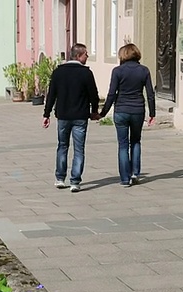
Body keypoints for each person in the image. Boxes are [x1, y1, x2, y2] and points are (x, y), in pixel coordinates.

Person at [42, 43, 100, 193]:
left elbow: (51, 94)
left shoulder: (58, 72)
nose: (87, 56)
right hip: (80, 116)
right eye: (86, 54)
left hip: (63, 115)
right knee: (79, 149)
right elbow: (94, 94)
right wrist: (94, 111)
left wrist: (46, 114)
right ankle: (75, 181)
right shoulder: (86, 73)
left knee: (62, 146)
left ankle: (60, 178)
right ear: (79, 55)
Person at [99, 43, 155, 186]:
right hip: (138, 110)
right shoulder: (144, 70)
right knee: (136, 141)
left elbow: (111, 94)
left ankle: (125, 178)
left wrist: (103, 112)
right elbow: (150, 94)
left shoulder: (117, 71)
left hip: (121, 110)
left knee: (123, 145)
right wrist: (152, 112)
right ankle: (135, 173)